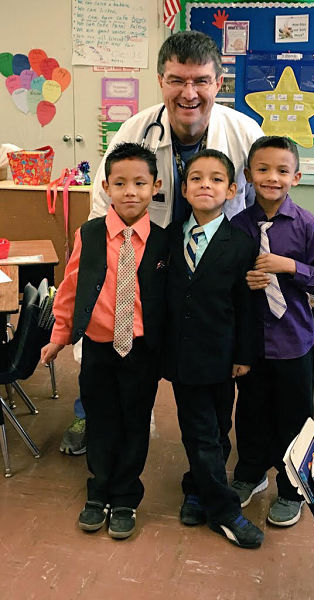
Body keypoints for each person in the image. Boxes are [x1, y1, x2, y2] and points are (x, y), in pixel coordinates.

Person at [61, 29, 264, 456]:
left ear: (218, 82)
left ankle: (215, 451)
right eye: (177, 80)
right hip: (145, 259)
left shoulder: (245, 132)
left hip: (216, 263)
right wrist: (106, 263)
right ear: (161, 80)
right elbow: (103, 203)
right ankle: (93, 413)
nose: (189, 93)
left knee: (212, 356)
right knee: (118, 342)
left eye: (201, 81)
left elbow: (267, 201)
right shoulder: (133, 132)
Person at [41, 143, 168, 539]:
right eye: (120, 183)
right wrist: (59, 336)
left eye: (140, 183)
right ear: (106, 188)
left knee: (134, 421)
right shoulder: (90, 234)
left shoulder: (165, 240)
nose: (130, 191)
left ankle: (126, 495)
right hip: (97, 347)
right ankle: (98, 492)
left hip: (141, 351)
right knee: (100, 419)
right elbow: (71, 287)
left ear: (155, 186)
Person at [230, 136, 314, 527]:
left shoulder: (306, 224)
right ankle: (251, 473)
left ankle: (293, 489)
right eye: (263, 170)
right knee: (252, 411)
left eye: (281, 170)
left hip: (293, 339)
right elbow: (229, 283)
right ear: (248, 176)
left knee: (295, 417)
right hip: (253, 342)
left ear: (296, 175)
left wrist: (289, 266)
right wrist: (247, 280)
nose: (272, 178)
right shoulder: (239, 226)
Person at [164, 148, 264, 549]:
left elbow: (246, 307)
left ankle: (195, 488)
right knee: (200, 431)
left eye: (216, 179)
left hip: (224, 356)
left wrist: (244, 355)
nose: (206, 184)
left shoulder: (241, 244)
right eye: (197, 178)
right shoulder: (169, 239)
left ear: (232, 189)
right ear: (184, 190)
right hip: (183, 357)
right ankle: (225, 511)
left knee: (219, 428)